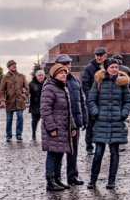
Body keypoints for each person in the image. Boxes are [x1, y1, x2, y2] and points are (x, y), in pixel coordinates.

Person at [87, 58, 130, 189]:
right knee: (98, 153)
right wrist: (96, 113)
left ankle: (111, 180)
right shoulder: (99, 82)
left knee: (114, 153)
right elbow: (91, 100)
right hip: (102, 122)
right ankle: (93, 180)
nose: (115, 69)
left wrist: (123, 114)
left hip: (116, 122)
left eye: (116, 67)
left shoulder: (122, 83)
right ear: (106, 68)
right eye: (112, 67)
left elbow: (128, 101)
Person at [40, 64, 77, 191]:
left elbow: (68, 110)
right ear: (54, 74)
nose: (64, 75)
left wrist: (72, 126)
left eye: (65, 73)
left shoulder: (63, 88)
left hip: (63, 127)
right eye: (61, 73)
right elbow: (45, 110)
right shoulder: (49, 88)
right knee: (53, 154)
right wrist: (51, 128)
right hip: (54, 127)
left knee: (60, 153)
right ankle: (50, 181)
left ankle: (57, 179)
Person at [56, 54, 86, 186]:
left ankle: (72, 176)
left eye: (69, 64)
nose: (67, 67)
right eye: (64, 64)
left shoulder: (75, 80)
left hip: (76, 121)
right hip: (62, 122)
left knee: (73, 151)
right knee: (59, 152)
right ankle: (57, 178)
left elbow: (81, 100)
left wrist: (84, 117)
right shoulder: (55, 82)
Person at [81, 47, 107, 155]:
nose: (99, 57)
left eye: (101, 55)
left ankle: (102, 145)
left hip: (105, 101)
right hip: (93, 101)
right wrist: (91, 97)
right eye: (97, 55)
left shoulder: (109, 66)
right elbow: (85, 84)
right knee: (91, 125)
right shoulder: (89, 68)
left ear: (105, 55)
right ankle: (89, 146)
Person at [0, 60, 28, 141]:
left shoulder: (21, 76)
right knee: (9, 119)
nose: (14, 66)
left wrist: (24, 96)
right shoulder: (5, 78)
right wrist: (2, 100)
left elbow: (27, 88)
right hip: (10, 101)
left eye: (15, 64)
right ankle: (9, 135)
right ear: (9, 67)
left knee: (20, 117)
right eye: (12, 65)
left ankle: (19, 134)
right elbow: (1, 90)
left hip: (19, 101)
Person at [28, 70, 45, 141]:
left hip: (44, 105)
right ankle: (33, 134)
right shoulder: (31, 84)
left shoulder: (47, 83)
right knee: (34, 121)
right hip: (35, 105)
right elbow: (27, 92)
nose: (41, 77)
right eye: (39, 75)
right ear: (36, 76)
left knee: (45, 121)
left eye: (42, 75)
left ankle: (45, 135)